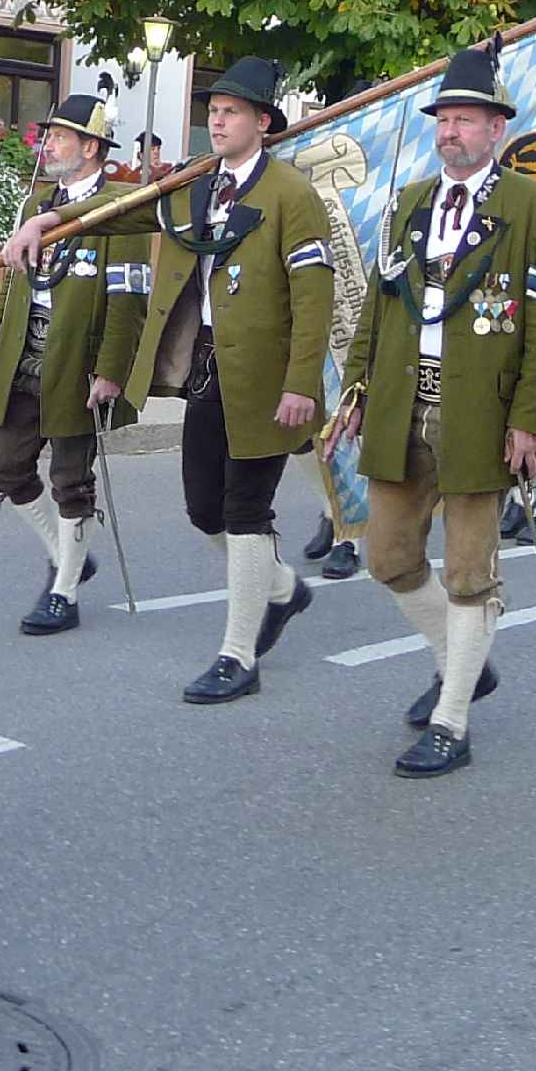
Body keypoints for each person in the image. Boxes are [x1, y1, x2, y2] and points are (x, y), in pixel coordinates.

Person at [332, 48, 536, 776]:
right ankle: (463, 660)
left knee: (470, 572)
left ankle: (453, 719)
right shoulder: (408, 204)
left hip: (482, 412)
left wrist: (531, 420)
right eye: (443, 119)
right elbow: (378, 309)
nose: (450, 131)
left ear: (497, 129)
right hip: (401, 402)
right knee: (388, 557)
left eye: (466, 119)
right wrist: (356, 389)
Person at [119, 58, 334, 706]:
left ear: (263, 122)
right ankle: (283, 590)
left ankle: (238, 656)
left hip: (269, 375)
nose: (216, 121)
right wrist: (47, 222)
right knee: (203, 509)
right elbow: (130, 209)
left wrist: (301, 383)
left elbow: (315, 299)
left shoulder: (291, 194)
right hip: (207, 365)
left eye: (231, 111)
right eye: (212, 110)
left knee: (245, 511)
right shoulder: (199, 183)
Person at [0, 88, 146, 635]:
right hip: (24, 356)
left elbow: (128, 300)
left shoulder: (122, 210)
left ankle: (64, 591)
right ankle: (66, 552)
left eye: (59, 137)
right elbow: (12, 278)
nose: (46, 145)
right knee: (6, 467)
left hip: (78, 361)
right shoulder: (35, 208)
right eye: (47, 136)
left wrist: (111, 370)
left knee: (71, 480)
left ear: (91, 148)